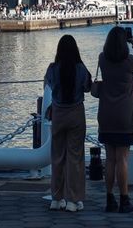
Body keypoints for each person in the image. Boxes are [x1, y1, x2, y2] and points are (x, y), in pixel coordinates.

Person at [92, 26, 133, 214]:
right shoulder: (130, 62)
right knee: (122, 159)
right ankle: (124, 200)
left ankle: (109, 199)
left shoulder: (102, 59)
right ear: (125, 42)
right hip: (125, 116)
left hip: (106, 115)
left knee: (110, 159)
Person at [44, 34, 92, 212]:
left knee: (57, 157)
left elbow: (48, 84)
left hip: (58, 114)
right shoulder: (80, 68)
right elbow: (87, 87)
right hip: (76, 113)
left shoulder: (52, 68)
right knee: (75, 157)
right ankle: (73, 199)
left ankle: (56, 198)